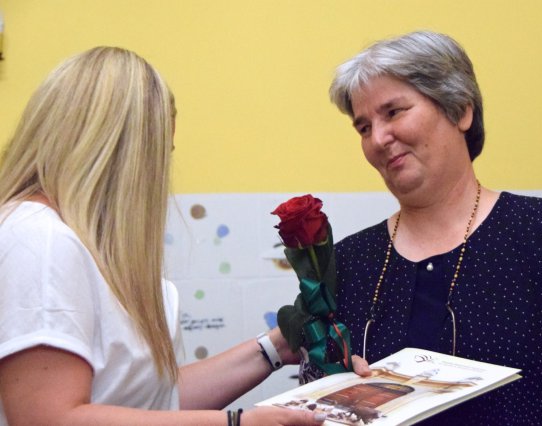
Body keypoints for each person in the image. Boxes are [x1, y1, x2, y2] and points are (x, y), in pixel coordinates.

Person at [0, 46, 369, 426]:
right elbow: (46, 417)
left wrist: (277, 346)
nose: (160, 174)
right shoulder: (39, 239)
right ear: (116, 150)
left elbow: (153, 402)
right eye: (159, 153)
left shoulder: (78, 245)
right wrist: (238, 424)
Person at [299, 31, 542, 425]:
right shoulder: (347, 261)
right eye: (363, 127)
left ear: (460, 110)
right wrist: (338, 391)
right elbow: (312, 406)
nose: (378, 138)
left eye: (393, 112)